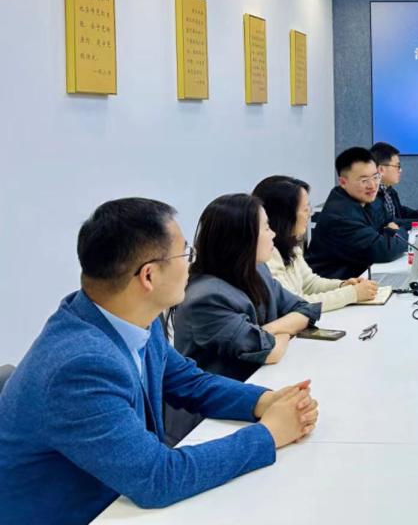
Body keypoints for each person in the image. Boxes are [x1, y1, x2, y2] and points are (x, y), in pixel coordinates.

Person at [0, 198, 318, 523]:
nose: (191, 262)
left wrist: (264, 401)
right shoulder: (79, 367)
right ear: (148, 276)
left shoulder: (131, 316)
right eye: (185, 253)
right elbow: (157, 478)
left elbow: (188, 381)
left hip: (118, 500)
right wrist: (269, 433)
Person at [172, 194, 321, 383]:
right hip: (220, 398)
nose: (273, 234)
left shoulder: (258, 271)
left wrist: (268, 330)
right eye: (266, 228)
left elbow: (305, 309)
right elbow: (270, 351)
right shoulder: (207, 298)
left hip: (262, 380)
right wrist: (283, 331)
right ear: (242, 238)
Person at [254, 175, 378, 310]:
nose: (310, 214)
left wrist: (342, 285)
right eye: (305, 209)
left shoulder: (290, 244)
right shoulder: (265, 256)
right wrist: (352, 294)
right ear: (285, 216)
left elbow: (309, 283)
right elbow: (296, 304)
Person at [306, 147, 407, 279]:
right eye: (364, 180)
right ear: (343, 182)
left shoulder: (365, 200)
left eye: (375, 177)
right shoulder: (340, 216)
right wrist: (400, 232)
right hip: (334, 285)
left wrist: (391, 232)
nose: (373, 185)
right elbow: (384, 250)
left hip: (361, 277)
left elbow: (388, 222)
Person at [369, 142, 418, 229]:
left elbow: (401, 212)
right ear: (381, 169)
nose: (400, 170)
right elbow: (388, 223)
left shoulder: (389, 191)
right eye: (397, 166)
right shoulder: (371, 195)